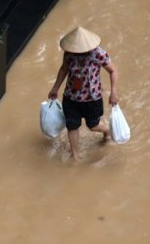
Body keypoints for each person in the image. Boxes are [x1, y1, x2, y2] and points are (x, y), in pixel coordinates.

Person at [47, 26, 118, 161]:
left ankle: (107, 131)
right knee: (72, 125)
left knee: (93, 126)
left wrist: (114, 92)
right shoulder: (69, 54)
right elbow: (63, 70)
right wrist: (55, 88)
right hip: (71, 97)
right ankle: (75, 155)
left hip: (92, 99)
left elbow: (113, 71)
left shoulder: (98, 54)